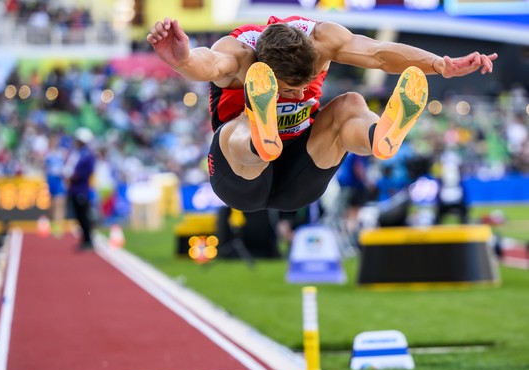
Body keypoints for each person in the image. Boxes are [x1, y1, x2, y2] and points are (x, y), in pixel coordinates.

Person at [147, 16, 497, 212]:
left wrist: (438, 64)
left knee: (350, 104)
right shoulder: (238, 54)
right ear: (263, 68)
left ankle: (379, 137)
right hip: (242, 180)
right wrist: (180, 59)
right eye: (288, 89)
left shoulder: (323, 38)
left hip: (303, 169)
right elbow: (206, 63)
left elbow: (379, 54)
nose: (300, 95)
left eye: (306, 84)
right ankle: (258, 137)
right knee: (239, 124)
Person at [66, 127, 96, 250]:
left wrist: (73, 176)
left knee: (83, 216)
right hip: (74, 189)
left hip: (81, 189)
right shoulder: (76, 154)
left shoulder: (87, 156)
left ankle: (88, 240)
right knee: (78, 216)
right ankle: (85, 239)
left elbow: (85, 172)